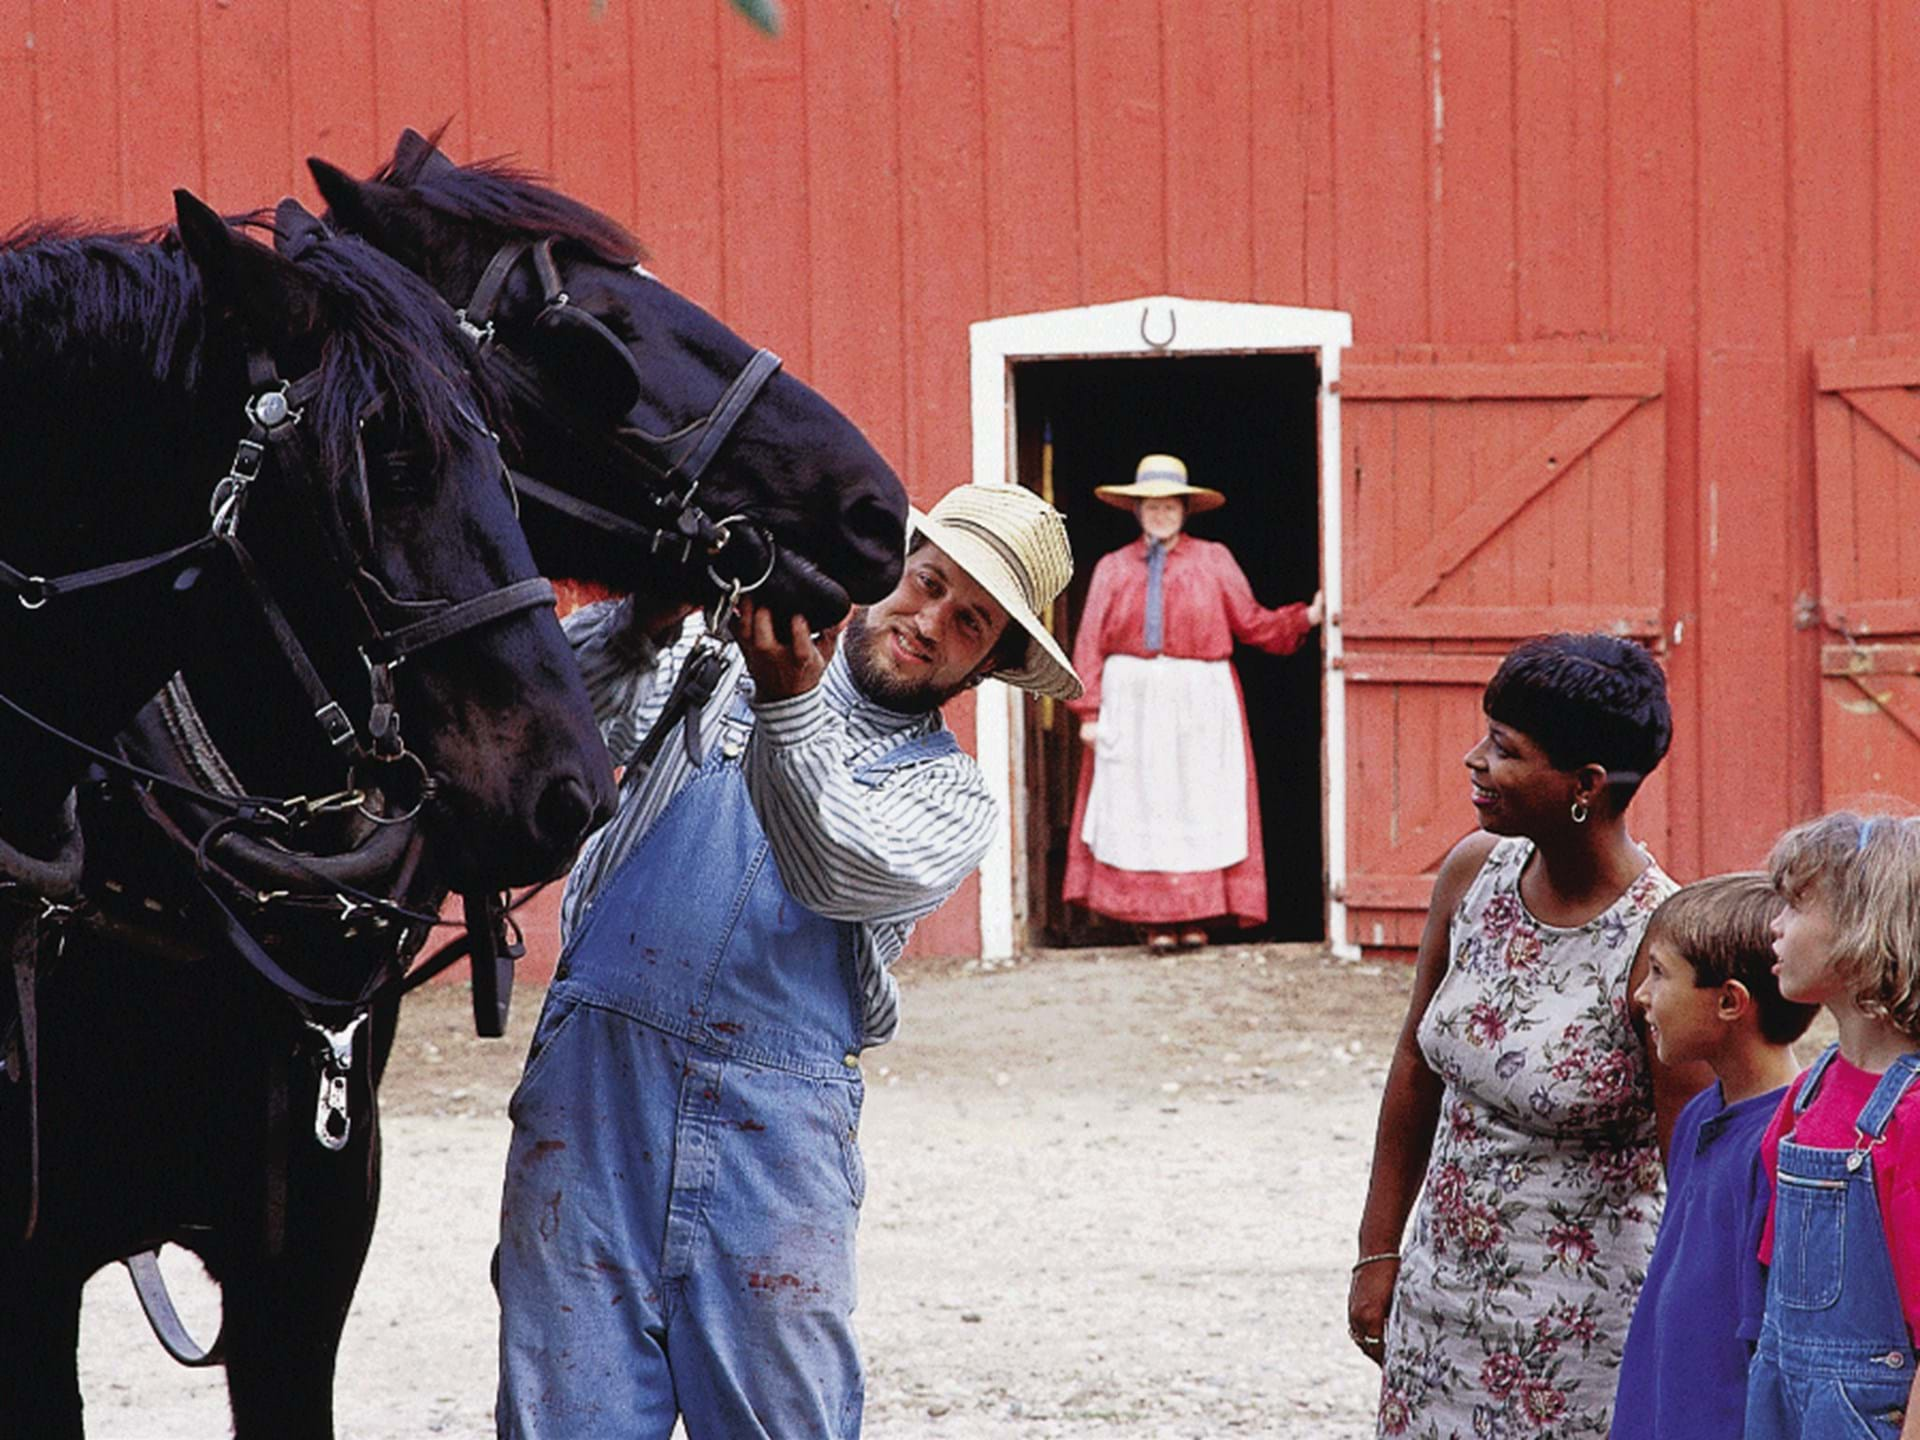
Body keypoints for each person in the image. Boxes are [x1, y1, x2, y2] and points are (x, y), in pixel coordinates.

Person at [493, 484, 1080, 1439]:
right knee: (566, 1416)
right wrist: (648, 614)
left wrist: (790, 704)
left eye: (969, 622)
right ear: (886, 567)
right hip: (593, 1104)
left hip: (775, 1141)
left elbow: (834, 864)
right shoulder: (712, 662)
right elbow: (551, 716)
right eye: (923, 583)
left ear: (990, 665)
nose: (928, 622)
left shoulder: (950, 799)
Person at [1347, 633, 1710, 1438]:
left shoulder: (1661, 943)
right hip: (1438, 1305)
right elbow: (1415, 1063)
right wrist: (1379, 1253)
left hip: (1579, 1336)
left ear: (1584, 786)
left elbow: (1690, 1169)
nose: (1474, 762)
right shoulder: (1473, 874)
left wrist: (1689, 1350)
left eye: (1504, 750)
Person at [1062, 453, 1322, 951]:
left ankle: (1197, 917)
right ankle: (1155, 921)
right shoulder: (1113, 568)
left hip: (1201, 699)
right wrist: (1089, 711)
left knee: (1200, 800)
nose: (1160, 514)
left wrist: (1305, 618)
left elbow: (1251, 623)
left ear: (1185, 509)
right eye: (1150, 506)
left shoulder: (1214, 559)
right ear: (1136, 512)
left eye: (1170, 505)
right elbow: (1089, 641)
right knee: (1141, 805)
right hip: (1132, 699)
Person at [1611, 873, 1818, 1438]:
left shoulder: (1788, 1149)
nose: (1642, 996)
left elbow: (1767, 1353)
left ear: (1730, 1001)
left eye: (1659, 973)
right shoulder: (1703, 1113)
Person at [1746, 812, 1920, 1439]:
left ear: (1864, 927)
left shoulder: (1912, 1118)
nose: (1775, 926)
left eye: (1794, 906)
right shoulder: (1805, 1096)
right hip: (1782, 1403)